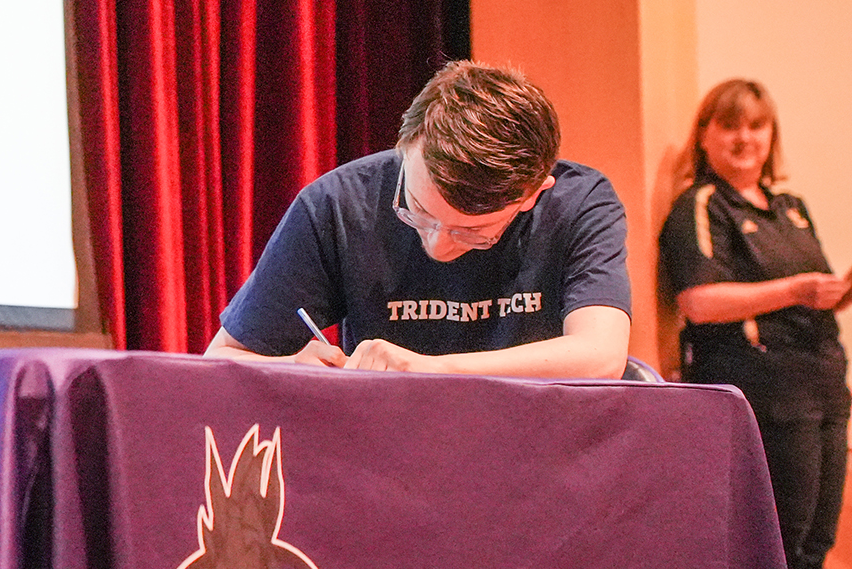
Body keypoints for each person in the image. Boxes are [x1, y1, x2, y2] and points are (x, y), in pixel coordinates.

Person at [205, 60, 632, 376]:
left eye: (473, 233)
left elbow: (601, 357)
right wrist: (291, 369)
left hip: (533, 456)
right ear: (405, 148)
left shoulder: (581, 204)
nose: (438, 245)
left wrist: (428, 371)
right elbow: (223, 358)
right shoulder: (338, 204)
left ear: (533, 193)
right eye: (419, 213)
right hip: (379, 462)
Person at [658, 79, 852, 569]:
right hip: (764, 391)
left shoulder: (789, 207)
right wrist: (797, 289)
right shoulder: (698, 206)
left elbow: (808, 295)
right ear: (705, 136)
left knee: (814, 543)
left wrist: (827, 292)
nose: (745, 140)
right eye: (731, 127)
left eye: (757, 128)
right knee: (784, 544)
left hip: (824, 385)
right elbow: (700, 302)